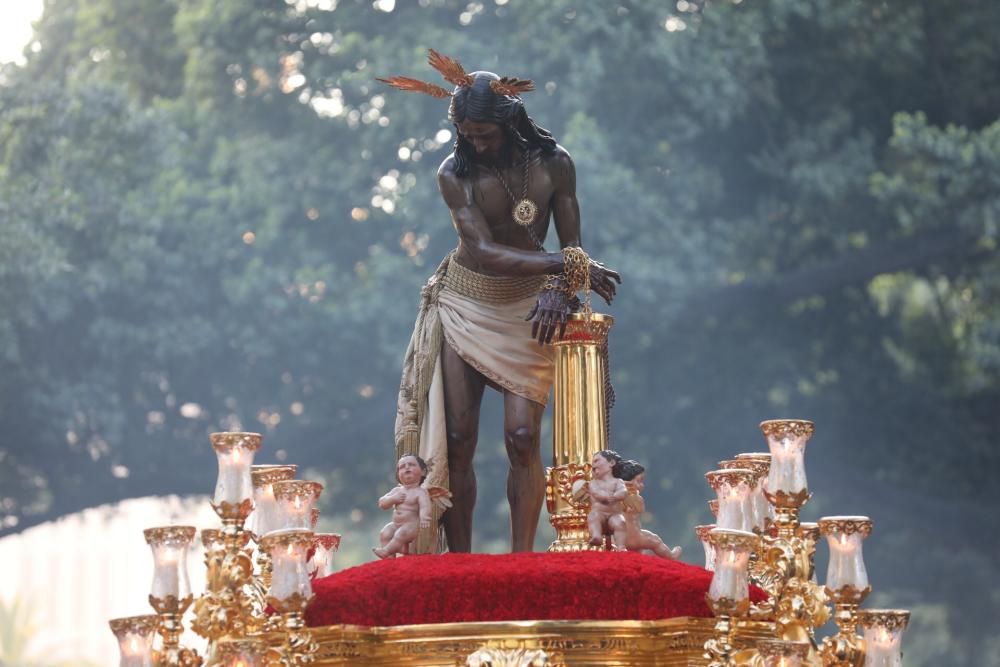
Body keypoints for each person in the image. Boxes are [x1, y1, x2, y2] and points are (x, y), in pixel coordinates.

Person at [381, 51, 621, 553]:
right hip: (468, 302)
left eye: (485, 136)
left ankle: (522, 558)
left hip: (531, 308)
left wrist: (561, 288)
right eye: (467, 135)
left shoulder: (556, 164)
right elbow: (487, 253)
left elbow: (571, 242)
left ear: (510, 123)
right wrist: (566, 268)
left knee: (520, 437)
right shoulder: (455, 173)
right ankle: (462, 561)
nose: (476, 145)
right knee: (460, 439)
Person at [616, 459, 682, 560]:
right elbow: (641, 509)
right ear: (628, 482)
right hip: (635, 536)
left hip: (618, 539)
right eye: (639, 481)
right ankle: (671, 556)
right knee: (655, 540)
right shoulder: (637, 499)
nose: (642, 485)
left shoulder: (616, 498)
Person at [374, 455, 433, 559]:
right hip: (396, 524)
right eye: (402, 467)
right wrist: (393, 499)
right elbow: (382, 503)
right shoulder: (397, 491)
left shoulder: (420, 492)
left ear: (423, 472)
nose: (406, 468)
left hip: (411, 525)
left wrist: (425, 518)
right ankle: (389, 560)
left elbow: (425, 506)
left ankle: (386, 551)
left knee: (401, 534)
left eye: (411, 465)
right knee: (385, 533)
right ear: (398, 474)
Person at [585, 450, 628, 548]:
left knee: (620, 522)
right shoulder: (593, 483)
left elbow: (623, 491)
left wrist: (616, 496)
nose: (593, 465)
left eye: (596, 461)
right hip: (599, 515)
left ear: (611, 463)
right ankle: (596, 536)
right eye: (593, 462)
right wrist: (605, 496)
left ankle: (621, 546)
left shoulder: (618, 481)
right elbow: (595, 492)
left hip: (614, 515)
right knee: (593, 516)